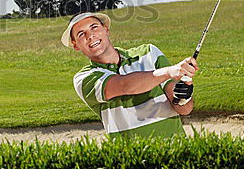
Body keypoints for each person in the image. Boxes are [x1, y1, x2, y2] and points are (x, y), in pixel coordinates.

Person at [62, 11, 198, 138]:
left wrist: (184, 96)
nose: (90, 35)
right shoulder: (84, 78)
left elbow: (184, 109)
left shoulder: (149, 53)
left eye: (94, 27)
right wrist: (169, 71)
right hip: (131, 158)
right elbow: (125, 85)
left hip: (175, 150)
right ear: (75, 45)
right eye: (81, 34)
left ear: (106, 30)